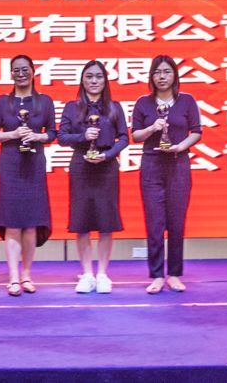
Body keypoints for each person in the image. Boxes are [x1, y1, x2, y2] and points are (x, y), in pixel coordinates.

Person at [130, 54, 202, 293]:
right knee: (154, 223)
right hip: (151, 166)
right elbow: (135, 136)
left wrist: (181, 147)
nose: (162, 77)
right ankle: (157, 275)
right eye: (157, 72)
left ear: (174, 75)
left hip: (178, 164)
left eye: (167, 72)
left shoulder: (187, 101)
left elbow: (196, 131)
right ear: (151, 76)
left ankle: (174, 274)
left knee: (177, 222)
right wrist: (152, 128)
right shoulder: (143, 103)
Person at [0, 54, 56, 297]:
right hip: (10, 165)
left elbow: (53, 133)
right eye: (16, 70)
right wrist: (13, 135)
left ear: (33, 71)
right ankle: (13, 278)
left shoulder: (44, 101)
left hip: (34, 164)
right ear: (11, 74)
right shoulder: (2, 102)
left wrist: (37, 136)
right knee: (13, 223)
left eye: (25, 69)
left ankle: (26, 275)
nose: (21, 74)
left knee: (31, 223)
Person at [58, 60, 128, 294]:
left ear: (105, 80)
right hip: (81, 166)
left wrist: (108, 155)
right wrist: (82, 136)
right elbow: (62, 137)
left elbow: (124, 138)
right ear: (82, 80)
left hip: (106, 167)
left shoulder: (114, 107)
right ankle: (87, 273)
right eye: (89, 76)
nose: (94, 81)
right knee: (82, 221)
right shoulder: (72, 107)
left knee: (106, 221)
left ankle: (103, 274)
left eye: (99, 76)